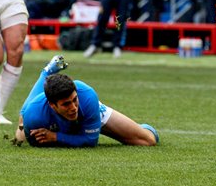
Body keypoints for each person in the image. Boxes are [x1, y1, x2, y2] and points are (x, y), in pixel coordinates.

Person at [14, 55, 158, 147]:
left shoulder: (87, 97)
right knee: (20, 136)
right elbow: (36, 143)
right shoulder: (34, 115)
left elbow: (90, 140)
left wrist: (56, 136)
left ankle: (139, 127)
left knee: (148, 140)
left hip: (88, 112)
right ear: (53, 105)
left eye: (74, 100)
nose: (73, 108)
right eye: (66, 104)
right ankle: (46, 73)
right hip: (37, 108)